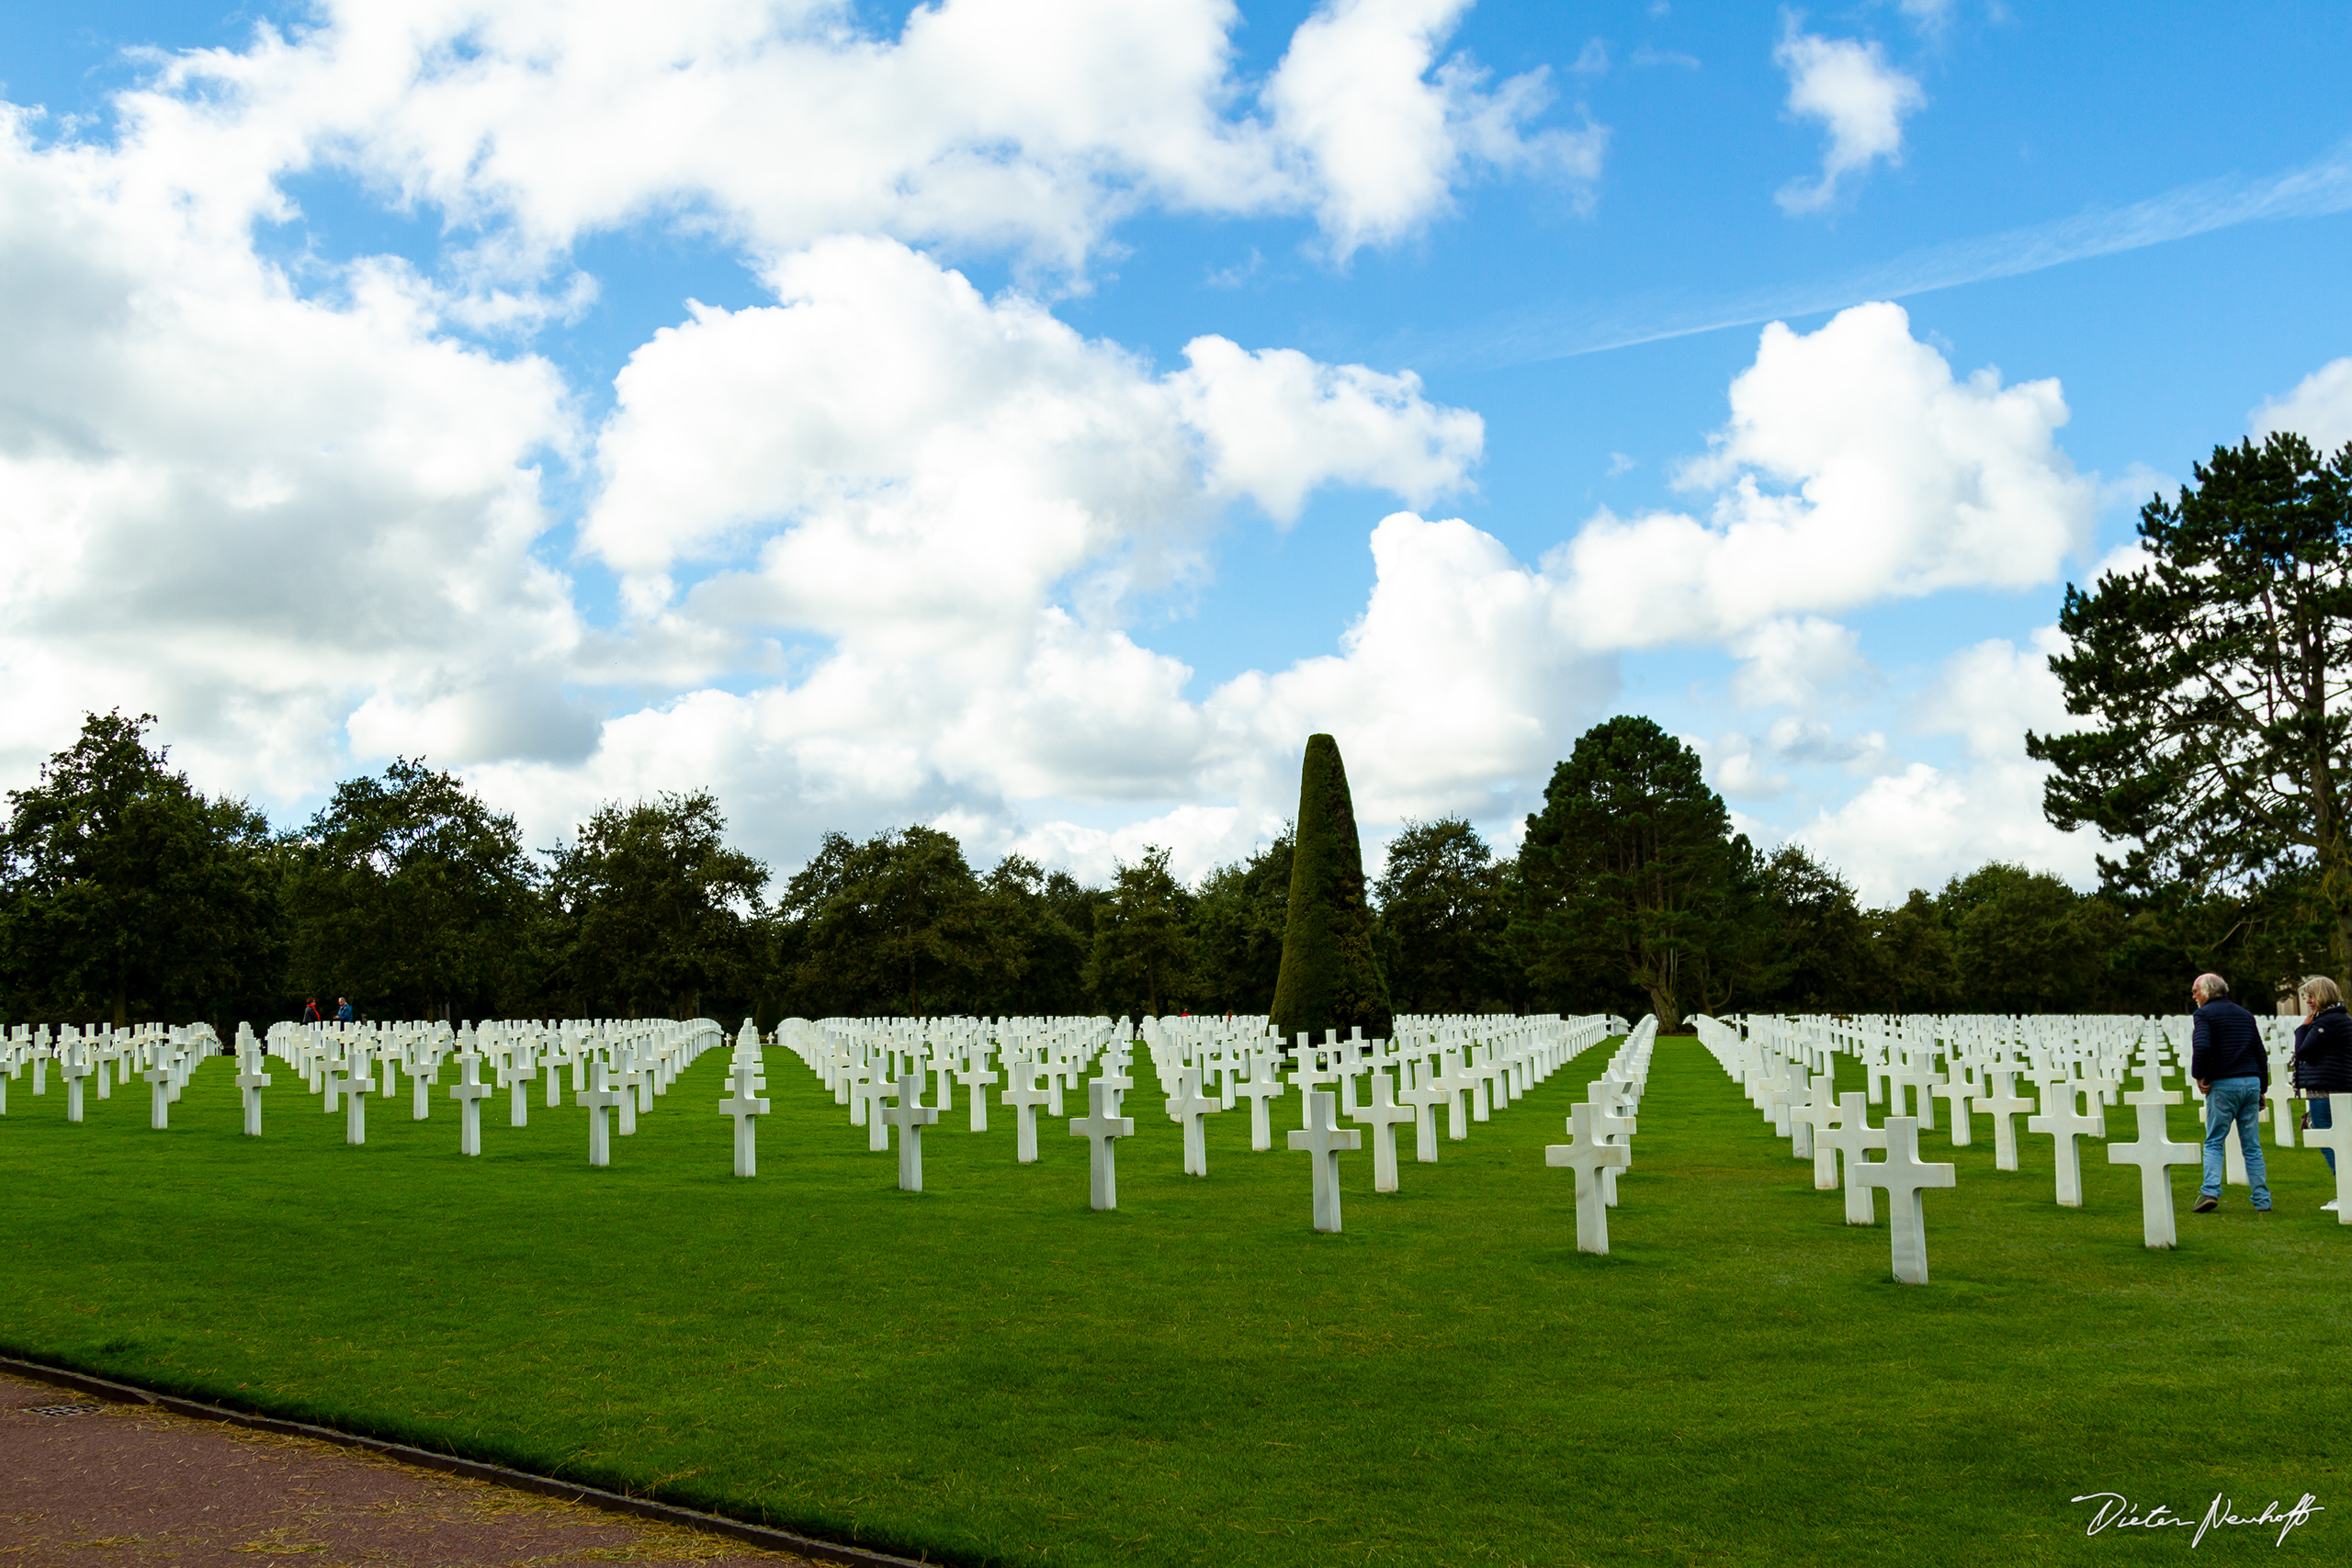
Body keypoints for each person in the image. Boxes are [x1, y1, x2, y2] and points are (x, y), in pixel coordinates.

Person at [2189, 972, 2270, 1213]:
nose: (2193, 995)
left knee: (2214, 1141)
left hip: (2224, 1083)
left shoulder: (2203, 1014)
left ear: (2208, 991)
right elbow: (2259, 1052)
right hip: (2251, 1082)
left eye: (2196, 990)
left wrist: (2199, 1075)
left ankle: (2210, 1192)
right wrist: (2262, 1088)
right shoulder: (2245, 1014)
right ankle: (2262, 1200)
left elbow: (2202, 1046)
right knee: (2252, 1145)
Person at [2292, 975, 2352, 1212]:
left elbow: (2304, 1052)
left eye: (2312, 996)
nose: (2308, 1000)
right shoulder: (2341, 1018)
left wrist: (2302, 1029)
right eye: (2307, 996)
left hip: (2325, 1088)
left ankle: (2346, 1191)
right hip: (2339, 1086)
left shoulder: (2325, 1023)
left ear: (2323, 995)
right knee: (2341, 1140)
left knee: (2327, 1138)